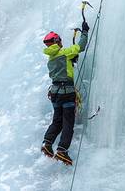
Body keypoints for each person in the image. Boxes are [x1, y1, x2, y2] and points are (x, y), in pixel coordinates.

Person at [40, 21, 89, 165]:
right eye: (59, 40)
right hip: (66, 92)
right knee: (68, 122)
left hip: (55, 93)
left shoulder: (51, 58)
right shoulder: (64, 52)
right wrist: (84, 32)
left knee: (58, 121)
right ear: (56, 41)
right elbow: (80, 47)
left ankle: (47, 143)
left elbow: (65, 65)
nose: (61, 42)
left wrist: (70, 61)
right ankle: (62, 150)